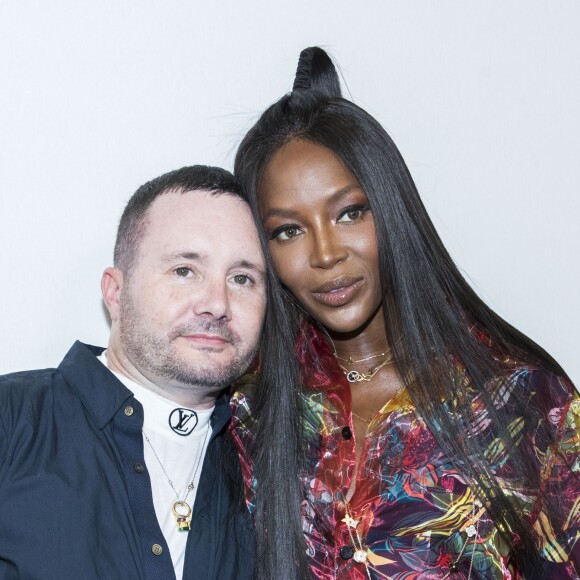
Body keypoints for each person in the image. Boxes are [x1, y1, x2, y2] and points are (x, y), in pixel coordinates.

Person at [230, 48, 579, 579]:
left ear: (390, 209)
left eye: (350, 213)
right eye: (288, 231)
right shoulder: (245, 414)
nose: (326, 254)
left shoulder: (523, 400)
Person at [0, 166, 264, 580]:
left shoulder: (275, 461)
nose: (217, 303)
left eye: (242, 278)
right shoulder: (12, 419)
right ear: (115, 292)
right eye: (184, 270)